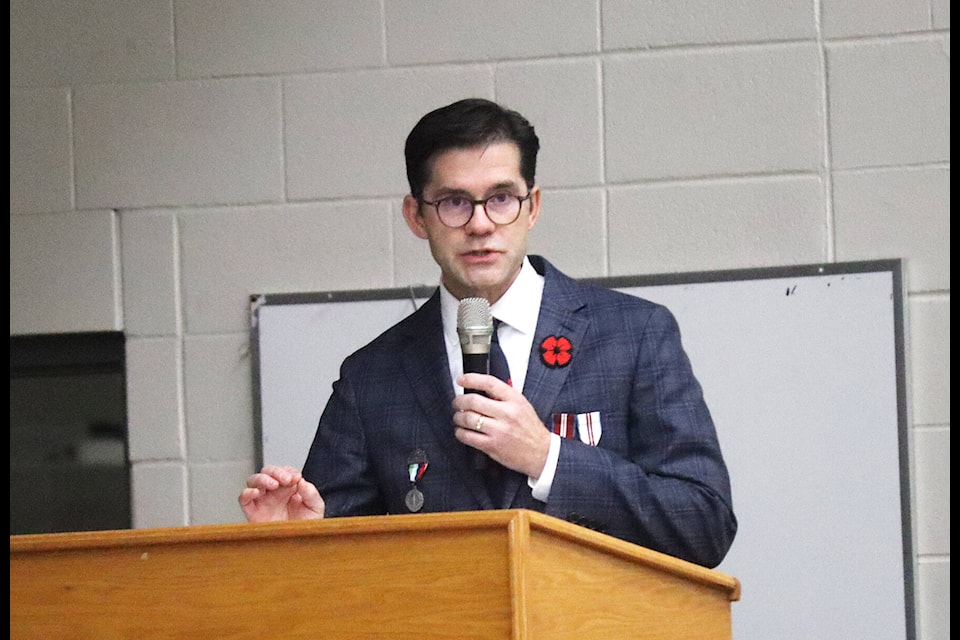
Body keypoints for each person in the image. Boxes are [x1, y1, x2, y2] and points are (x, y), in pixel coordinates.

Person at [239, 98, 737, 568]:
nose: (480, 224)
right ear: (417, 216)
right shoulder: (372, 376)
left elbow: (704, 524)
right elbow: (342, 571)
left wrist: (548, 458)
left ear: (532, 206)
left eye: (501, 198)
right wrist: (295, 541)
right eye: (455, 202)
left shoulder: (634, 335)